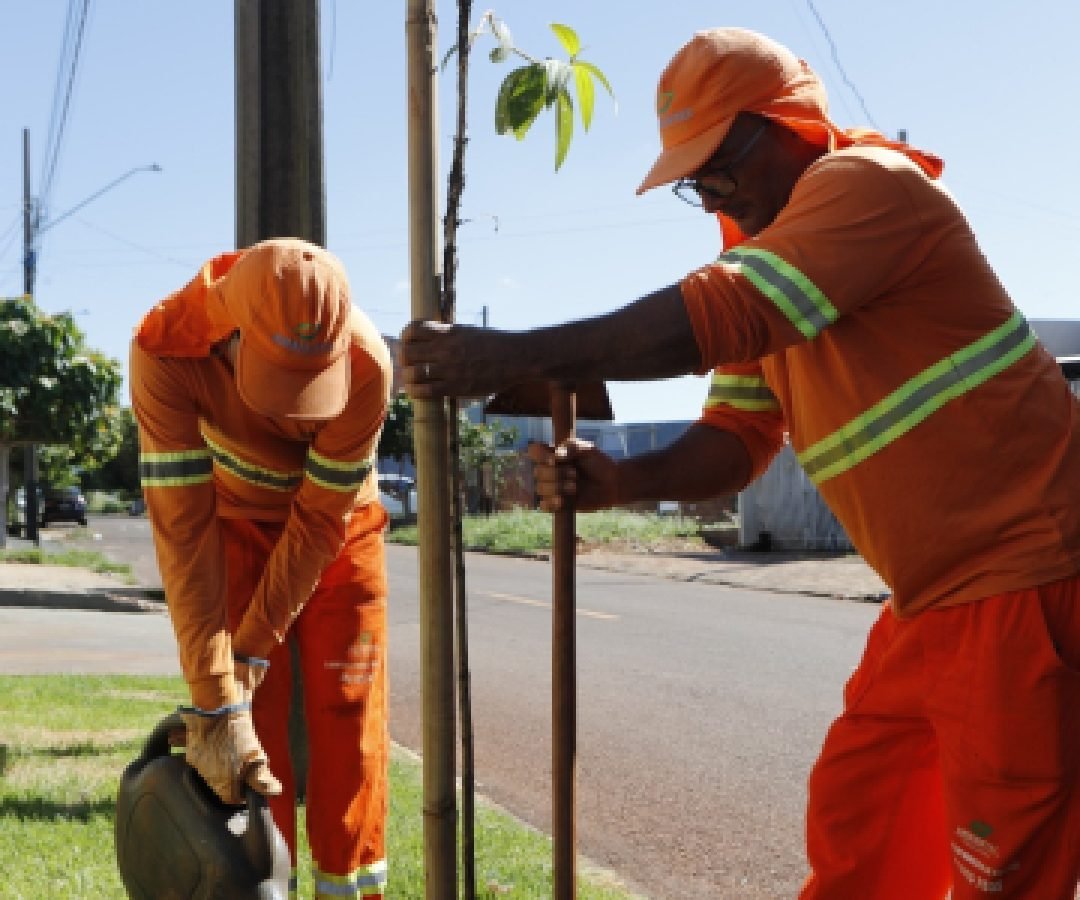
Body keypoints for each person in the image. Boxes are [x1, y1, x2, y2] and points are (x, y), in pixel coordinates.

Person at [401, 27, 1080, 899]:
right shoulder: (765, 263)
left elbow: (716, 316)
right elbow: (737, 438)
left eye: (719, 161)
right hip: (933, 606)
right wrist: (623, 482)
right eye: (696, 179)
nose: (710, 188)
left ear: (787, 123)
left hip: (1025, 580)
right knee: (859, 824)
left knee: (1001, 866)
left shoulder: (865, 188)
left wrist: (516, 355)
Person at [131, 237, 392, 899]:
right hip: (232, 527)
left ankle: (351, 891)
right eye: (280, 381)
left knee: (348, 724)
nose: (296, 410)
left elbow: (315, 525)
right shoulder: (164, 352)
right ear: (230, 330)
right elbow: (185, 540)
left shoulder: (366, 367)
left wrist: (247, 654)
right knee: (250, 739)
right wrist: (217, 699)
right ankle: (259, 889)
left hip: (338, 532)